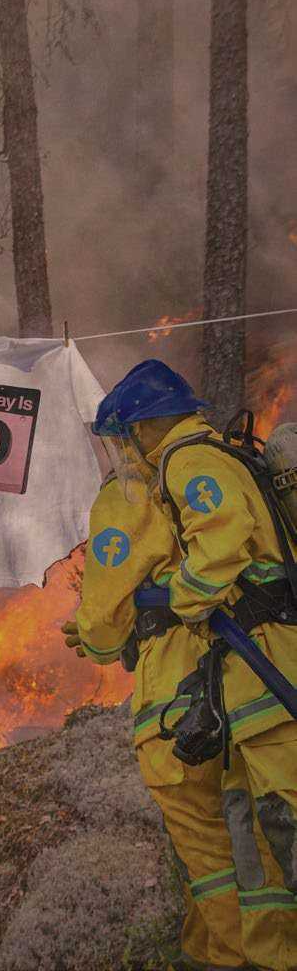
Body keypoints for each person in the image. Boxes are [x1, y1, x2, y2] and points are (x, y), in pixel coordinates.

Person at [88, 358, 297, 971]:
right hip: (241, 687)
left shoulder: (186, 461)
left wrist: (182, 597)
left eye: (125, 437)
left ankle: (245, 956)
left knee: (272, 832)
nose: (125, 453)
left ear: (143, 426)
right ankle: (268, 956)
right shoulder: (216, 460)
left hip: (258, 676)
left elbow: (222, 535)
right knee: (260, 842)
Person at [64, 468, 247, 971]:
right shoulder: (225, 473)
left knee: (207, 853)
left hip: (178, 701)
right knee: (243, 839)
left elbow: (102, 626)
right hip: (242, 685)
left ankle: (235, 957)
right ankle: (202, 953)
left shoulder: (132, 491)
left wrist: (95, 631)